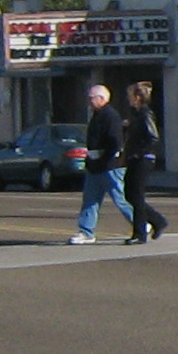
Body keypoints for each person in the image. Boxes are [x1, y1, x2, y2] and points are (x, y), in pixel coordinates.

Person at [66, 79, 127, 245]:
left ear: (102, 98)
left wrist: (104, 159)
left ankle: (141, 223)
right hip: (95, 165)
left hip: (109, 166)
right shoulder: (97, 115)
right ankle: (86, 232)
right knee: (90, 200)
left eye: (91, 98)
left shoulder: (110, 116)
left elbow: (115, 142)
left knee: (120, 198)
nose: (89, 101)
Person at [120, 78, 168, 243]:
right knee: (129, 194)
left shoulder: (146, 114)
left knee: (137, 196)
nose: (128, 99)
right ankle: (157, 220)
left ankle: (140, 233)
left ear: (138, 97)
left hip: (143, 159)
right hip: (134, 158)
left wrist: (140, 152)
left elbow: (153, 137)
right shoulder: (135, 114)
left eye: (130, 95)